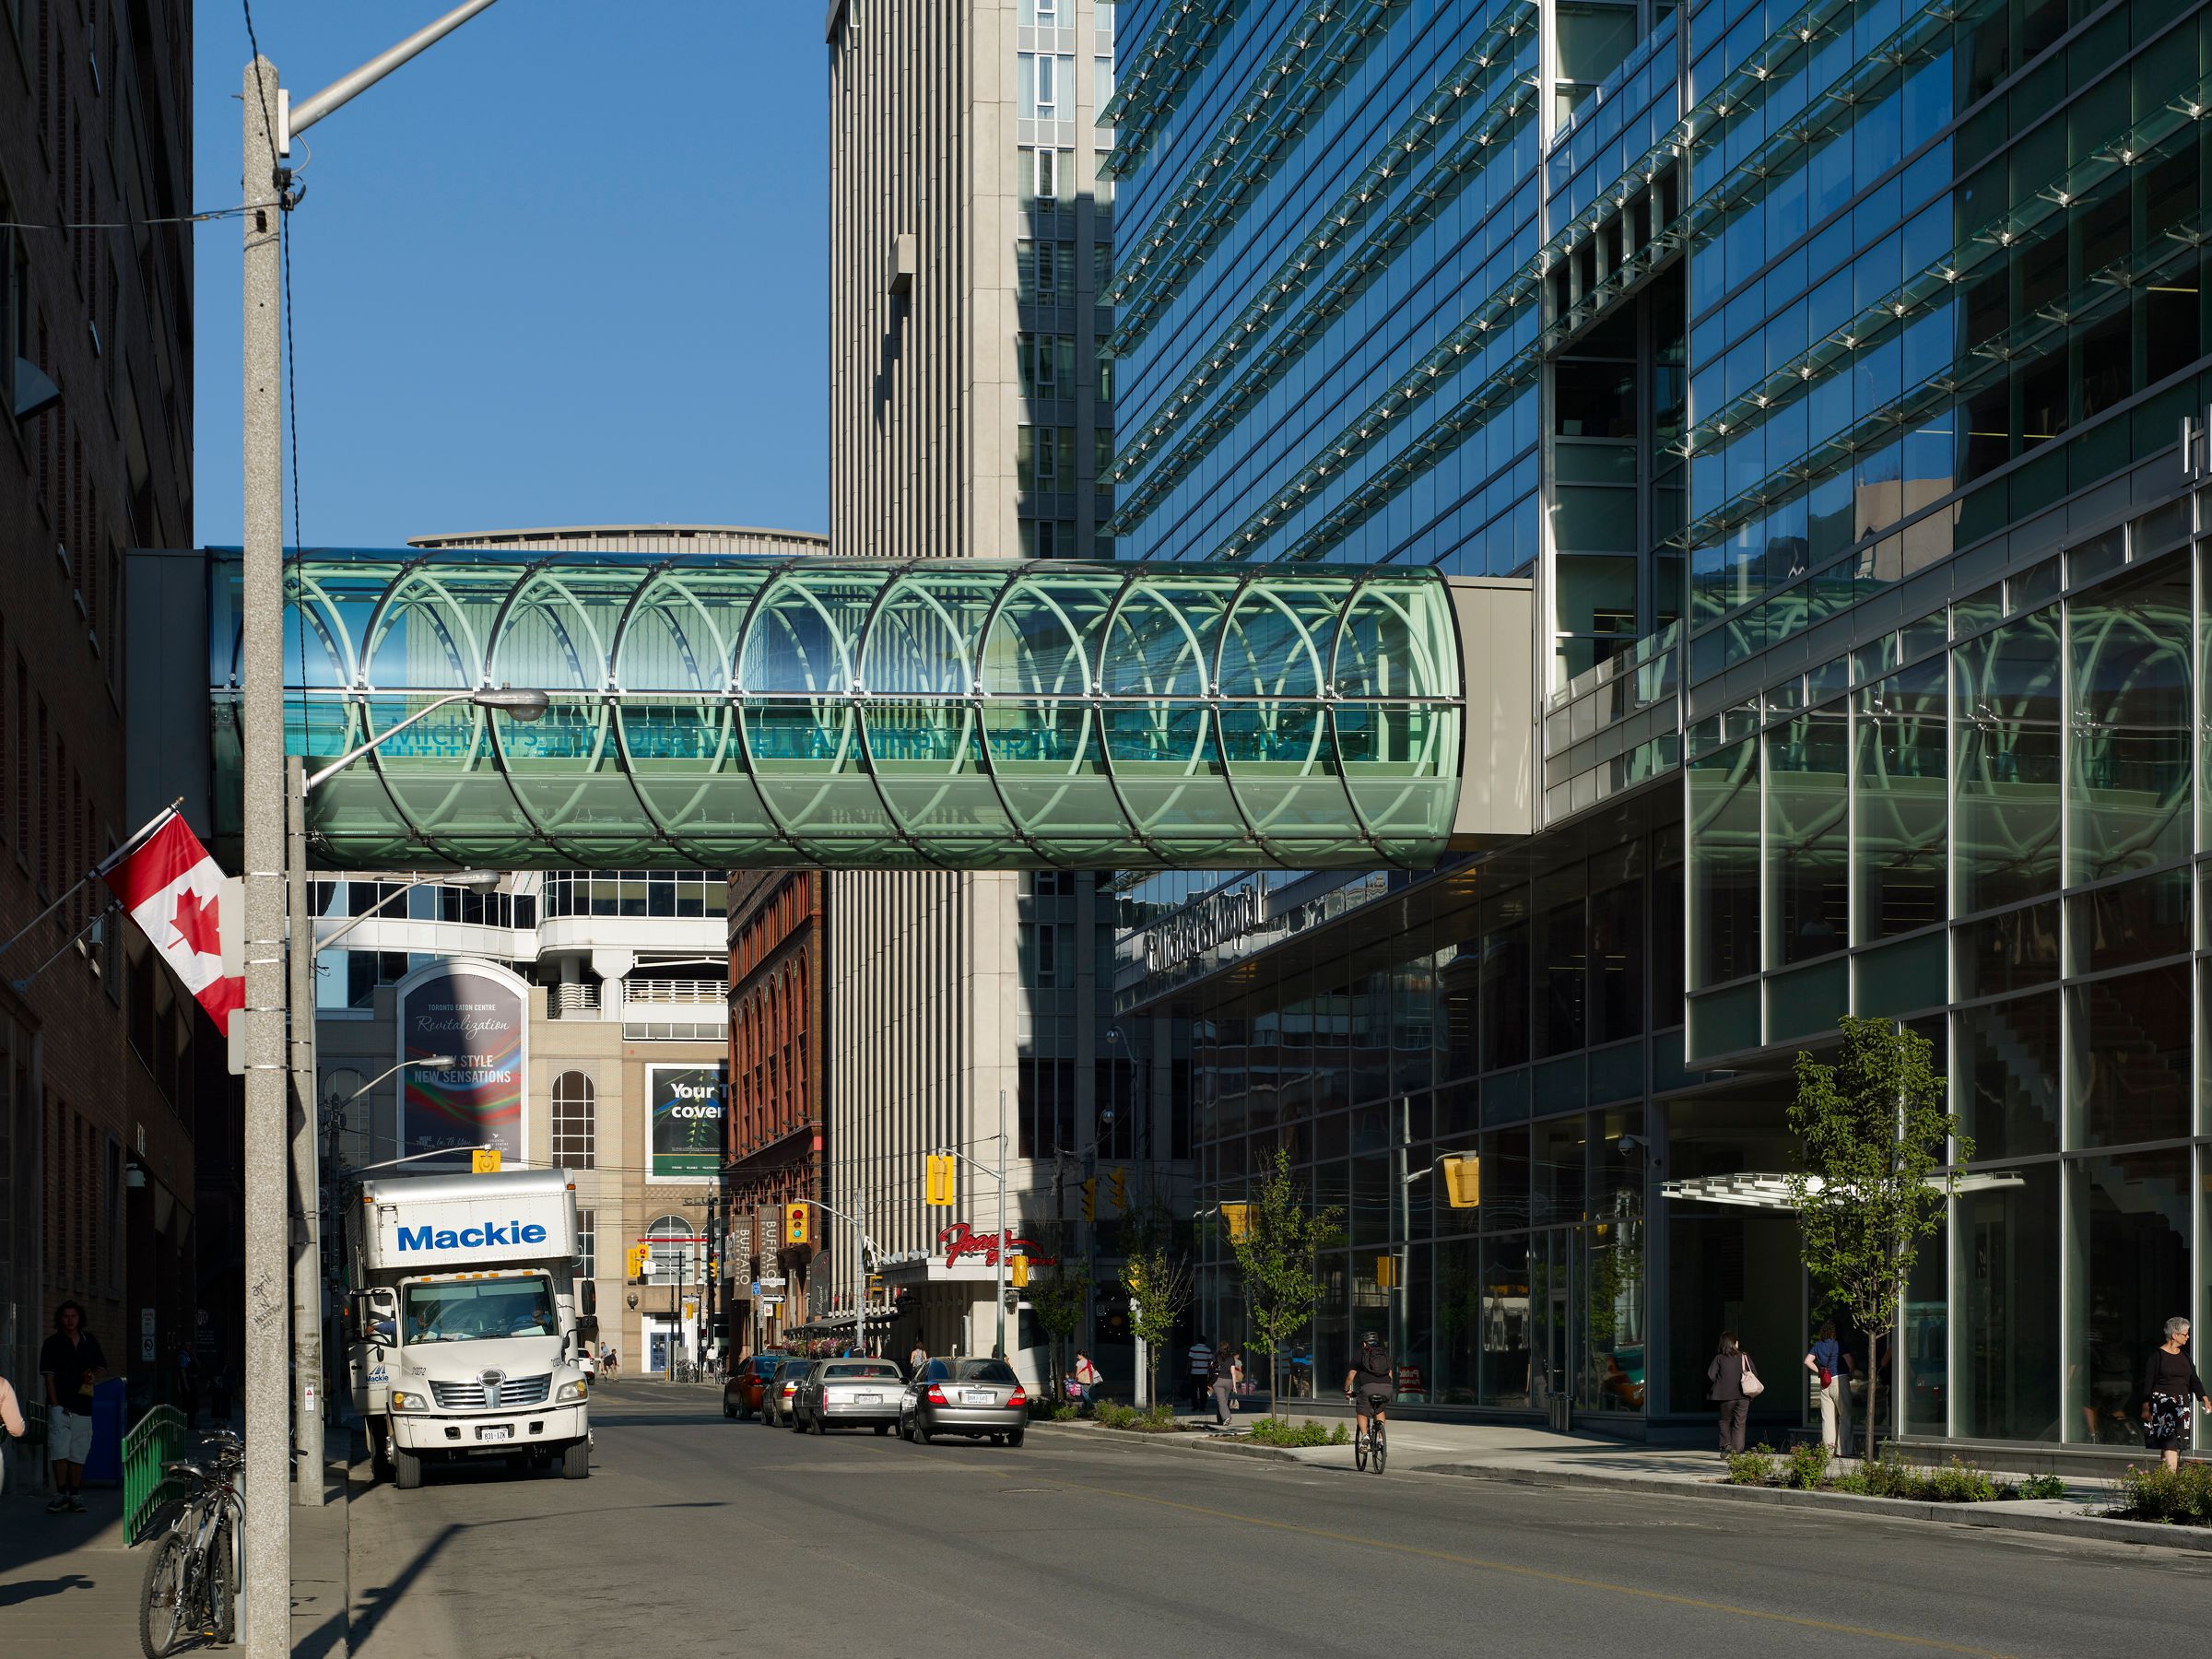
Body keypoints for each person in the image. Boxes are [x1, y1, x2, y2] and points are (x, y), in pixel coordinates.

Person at [39, 1300, 105, 1514]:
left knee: (78, 1450)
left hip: (83, 1404)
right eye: (66, 1316)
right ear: (60, 1318)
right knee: (59, 1450)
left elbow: (101, 1367)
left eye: (73, 1316)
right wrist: (55, 1405)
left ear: (79, 1318)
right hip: (60, 1405)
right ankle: (60, 1494)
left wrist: (94, 1376)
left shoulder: (89, 1341)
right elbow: (48, 1377)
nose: (69, 1320)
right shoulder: (52, 1343)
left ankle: (75, 1494)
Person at [2141, 1315, 2209, 1474]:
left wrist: (2205, 1400)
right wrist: (2146, 1407)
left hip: (2181, 1406)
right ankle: (2171, 1482)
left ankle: (2162, 1482)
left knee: (2170, 1445)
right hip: (2162, 1406)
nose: (2188, 1336)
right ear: (2174, 1335)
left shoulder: (2185, 1356)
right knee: (2170, 1443)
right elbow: (2148, 1383)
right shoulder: (2156, 1357)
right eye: (2185, 1334)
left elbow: (2194, 1380)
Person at [1804, 1319, 1853, 1458]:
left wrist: (1820, 1371)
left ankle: (1828, 1451)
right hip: (1840, 1379)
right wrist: (1852, 1372)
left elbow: (1807, 1361)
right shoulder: (1839, 1344)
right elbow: (1849, 1361)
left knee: (1828, 1418)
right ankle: (1844, 1450)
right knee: (1845, 1415)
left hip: (1825, 1383)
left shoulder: (1818, 1345)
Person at [1707, 1332, 1756, 1455]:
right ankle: (1737, 1450)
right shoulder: (1744, 1356)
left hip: (1725, 1396)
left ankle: (1726, 1444)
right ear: (1734, 1343)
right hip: (1744, 1395)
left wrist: (1722, 1381)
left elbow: (1711, 1375)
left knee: (1725, 1420)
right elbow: (1754, 1373)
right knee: (1740, 1423)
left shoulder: (1719, 1358)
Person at [1343, 1330, 1395, 1443]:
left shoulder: (1360, 1354)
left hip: (1368, 1389)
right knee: (1380, 1409)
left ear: (1364, 1343)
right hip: (1386, 1388)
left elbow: (1351, 1376)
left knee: (1362, 1411)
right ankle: (1381, 1438)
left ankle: (1365, 1436)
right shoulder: (1385, 1354)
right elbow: (1390, 1375)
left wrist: (1346, 1390)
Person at [1210, 1342, 1241, 1426]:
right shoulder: (1231, 1358)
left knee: (1221, 1401)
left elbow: (1211, 1366)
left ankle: (1227, 1417)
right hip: (1228, 1381)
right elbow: (1233, 1373)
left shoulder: (1216, 1356)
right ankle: (1220, 1421)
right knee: (1224, 1401)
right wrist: (1234, 1386)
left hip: (1218, 1380)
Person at [1188, 1335, 1214, 1411]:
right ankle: (1202, 1406)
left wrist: (1187, 1370)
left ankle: (1195, 1406)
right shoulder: (1208, 1350)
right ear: (1205, 1341)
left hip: (1194, 1372)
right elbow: (1210, 1362)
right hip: (1204, 1373)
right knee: (1203, 1391)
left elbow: (1190, 1360)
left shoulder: (1193, 1349)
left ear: (1198, 1341)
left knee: (1193, 1390)